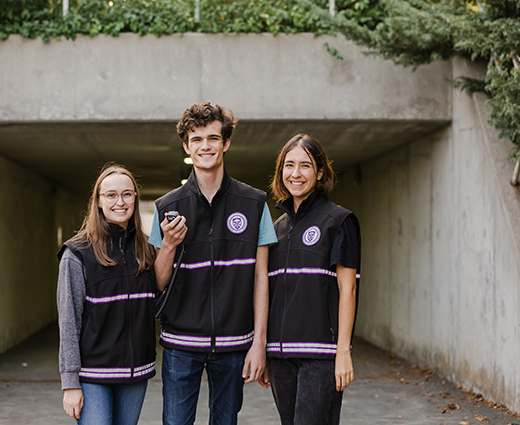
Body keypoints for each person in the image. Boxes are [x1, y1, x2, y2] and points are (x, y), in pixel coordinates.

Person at [149, 101, 277, 425]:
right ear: (186, 146)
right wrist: (168, 245)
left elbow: (261, 277)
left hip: (236, 343)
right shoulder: (166, 207)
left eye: (212, 138)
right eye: (196, 140)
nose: (205, 146)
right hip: (180, 345)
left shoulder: (255, 203)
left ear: (226, 143)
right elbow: (157, 282)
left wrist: (259, 343)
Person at [261, 134, 361, 425]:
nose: (296, 173)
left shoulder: (339, 221)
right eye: (289, 165)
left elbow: (348, 289)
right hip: (281, 356)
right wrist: (267, 350)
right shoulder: (276, 228)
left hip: (320, 355)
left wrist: (343, 351)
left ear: (319, 173)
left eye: (305, 165)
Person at [57, 164, 157, 425]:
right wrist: (70, 383)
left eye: (127, 194)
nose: (120, 202)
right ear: (98, 202)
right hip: (92, 375)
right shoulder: (77, 253)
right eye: (110, 195)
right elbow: (69, 322)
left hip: (135, 373)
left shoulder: (146, 250)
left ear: (135, 198)